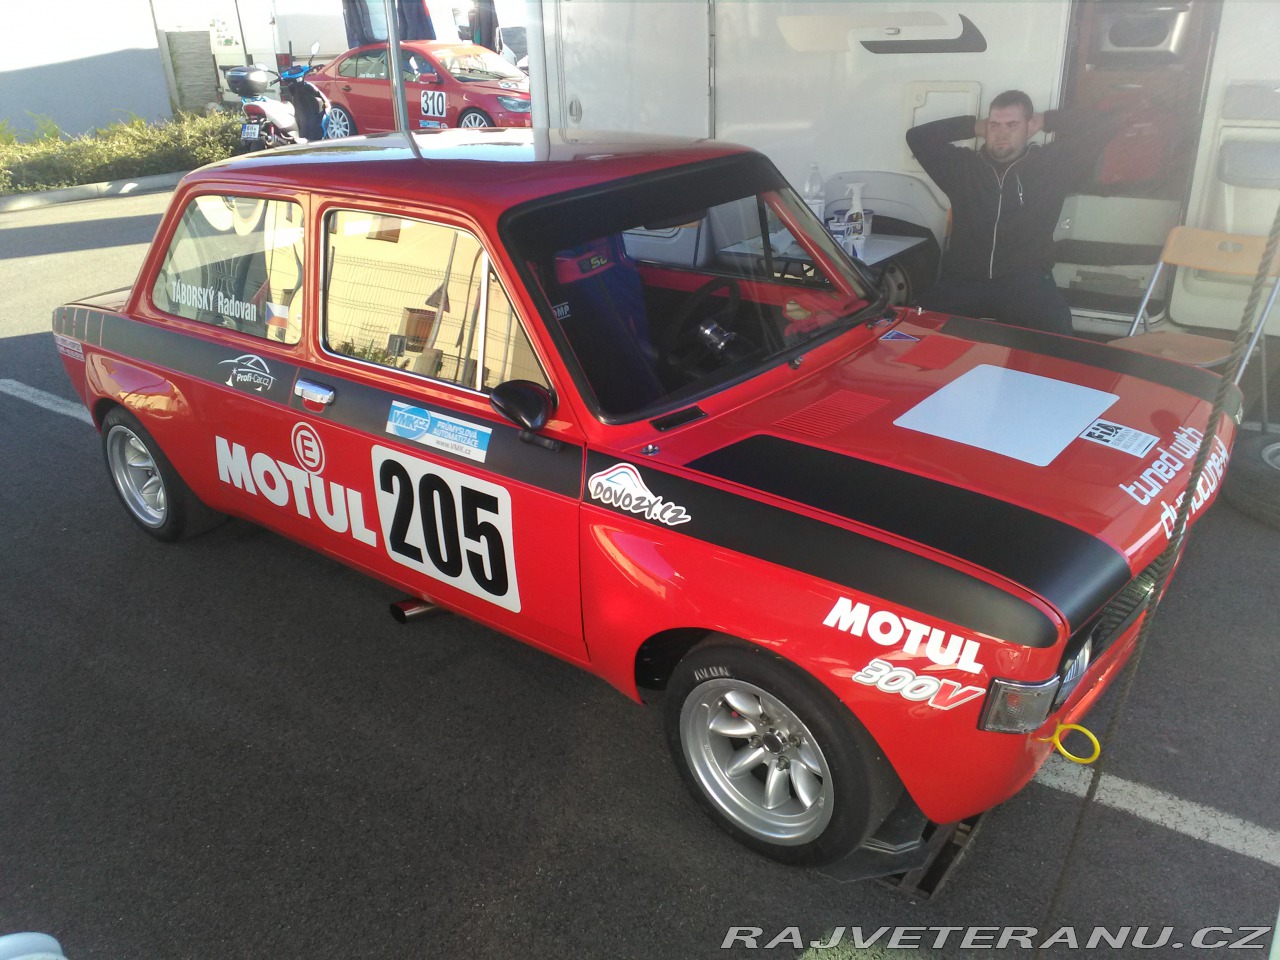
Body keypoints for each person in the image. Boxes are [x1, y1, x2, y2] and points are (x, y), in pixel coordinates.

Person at [906, 90, 1125, 336]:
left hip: (1025, 282)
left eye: (1012, 125)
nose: (1002, 134)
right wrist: (974, 126)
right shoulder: (963, 168)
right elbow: (917, 138)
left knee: (1058, 337)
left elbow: (1110, 123)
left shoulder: (1052, 165)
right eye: (995, 125)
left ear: (1028, 127)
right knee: (913, 329)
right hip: (964, 280)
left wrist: (1046, 120)